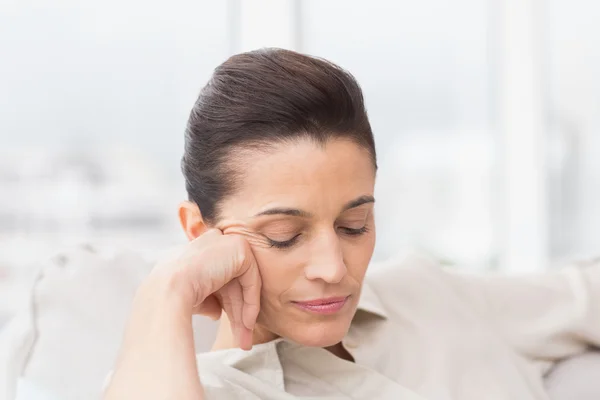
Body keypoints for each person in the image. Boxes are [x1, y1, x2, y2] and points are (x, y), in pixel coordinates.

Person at [104, 48, 600, 400]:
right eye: (285, 236)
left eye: (354, 225)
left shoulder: (427, 293)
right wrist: (166, 290)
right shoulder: (192, 386)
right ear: (199, 234)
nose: (332, 267)